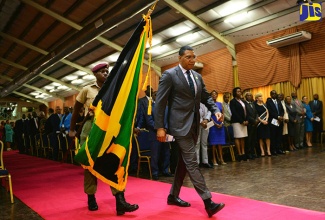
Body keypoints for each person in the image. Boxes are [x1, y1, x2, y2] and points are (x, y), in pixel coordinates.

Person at [154, 45, 225, 218]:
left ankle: (173, 195)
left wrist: (214, 109)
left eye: (194, 57)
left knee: (184, 163)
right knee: (192, 161)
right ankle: (208, 202)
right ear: (179, 58)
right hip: (178, 126)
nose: (192, 60)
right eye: (188, 57)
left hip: (194, 125)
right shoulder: (169, 75)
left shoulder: (197, 77)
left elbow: (206, 97)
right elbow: (160, 103)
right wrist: (160, 127)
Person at [69, 62, 138, 215]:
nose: (106, 73)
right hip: (91, 130)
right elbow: (76, 109)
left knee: (114, 162)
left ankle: (120, 200)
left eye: (107, 71)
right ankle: (91, 197)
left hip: (109, 131)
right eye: (102, 71)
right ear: (95, 74)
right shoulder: (87, 90)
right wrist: (72, 129)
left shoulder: (114, 88)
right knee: (89, 164)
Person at [230, 87, 248, 161]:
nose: (239, 92)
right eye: (238, 91)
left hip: (244, 122)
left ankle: (243, 153)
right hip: (237, 122)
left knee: (243, 137)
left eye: (240, 91)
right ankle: (239, 154)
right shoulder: (232, 101)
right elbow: (234, 112)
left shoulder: (243, 101)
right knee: (238, 137)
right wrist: (241, 121)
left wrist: (246, 120)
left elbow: (246, 111)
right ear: (235, 93)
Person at [208, 90, 226, 165]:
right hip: (213, 125)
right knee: (213, 143)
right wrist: (215, 123)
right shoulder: (209, 104)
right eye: (212, 94)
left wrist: (221, 123)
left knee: (220, 143)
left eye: (215, 94)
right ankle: (214, 159)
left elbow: (223, 114)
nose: (214, 95)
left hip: (220, 124)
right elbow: (209, 115)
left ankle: (221, 159)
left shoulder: (220, 104)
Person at [266, 90, 285, 155]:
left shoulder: (279, 101)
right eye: (273, 94)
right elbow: (270, 111)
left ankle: (279, 148)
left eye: (275, 93)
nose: (274, 95)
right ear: (271, 95)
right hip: (273, 121)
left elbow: (282, 110)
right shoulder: (269, 102)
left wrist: (281, 116)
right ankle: (273, 150)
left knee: (279, 135)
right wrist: (277, 117)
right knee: (273, 135)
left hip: (280, 121)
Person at [196, 103, 212, 168]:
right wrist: (201, 121)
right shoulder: (195, 98)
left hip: (206, 123)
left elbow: (209, 110)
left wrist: (206, 119)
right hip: (197, 123)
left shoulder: (206, 100)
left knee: (204, 143)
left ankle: (205, 161)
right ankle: (197, 162)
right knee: (197, 143)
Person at [244, 92, 258, 159]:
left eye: (250, 95)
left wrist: (256, 119)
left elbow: (256, 112)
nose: (249, 96)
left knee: (253, 139)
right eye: (248, 95)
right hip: (249, 124)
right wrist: (253, 120)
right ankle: (248, 153)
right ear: (245, 97)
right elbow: (247, 115)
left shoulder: (253, 103)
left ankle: (252, 152)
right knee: (249, 140)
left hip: (255, 124)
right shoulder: (244, 104)